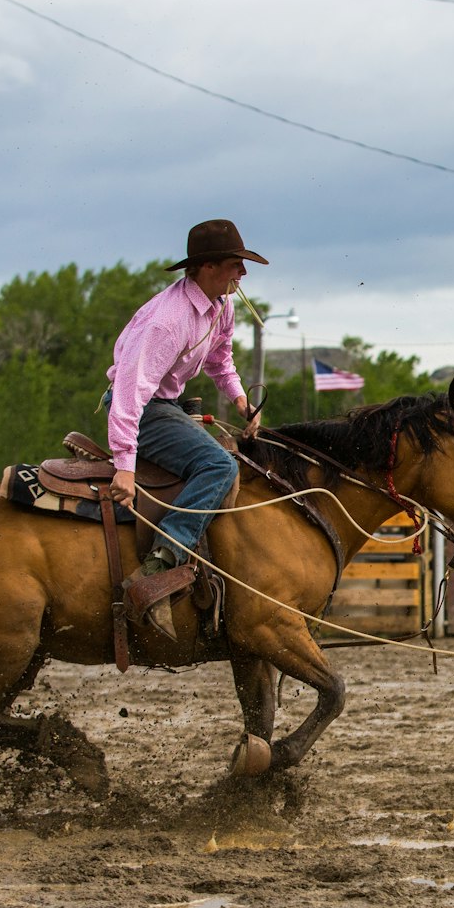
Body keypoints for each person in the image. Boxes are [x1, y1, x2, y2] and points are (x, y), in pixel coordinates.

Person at [104, 219, 266, 641]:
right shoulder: (169, 321)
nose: (243, 274)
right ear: (207, 267)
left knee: (231, 458)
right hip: (143, 410)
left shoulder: (222, 307)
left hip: (162, 405)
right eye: (236, 264)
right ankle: (162, 562)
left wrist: (240, 400)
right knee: (218, 466)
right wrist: (124, 463)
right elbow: (129, 392)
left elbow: (220, 358)